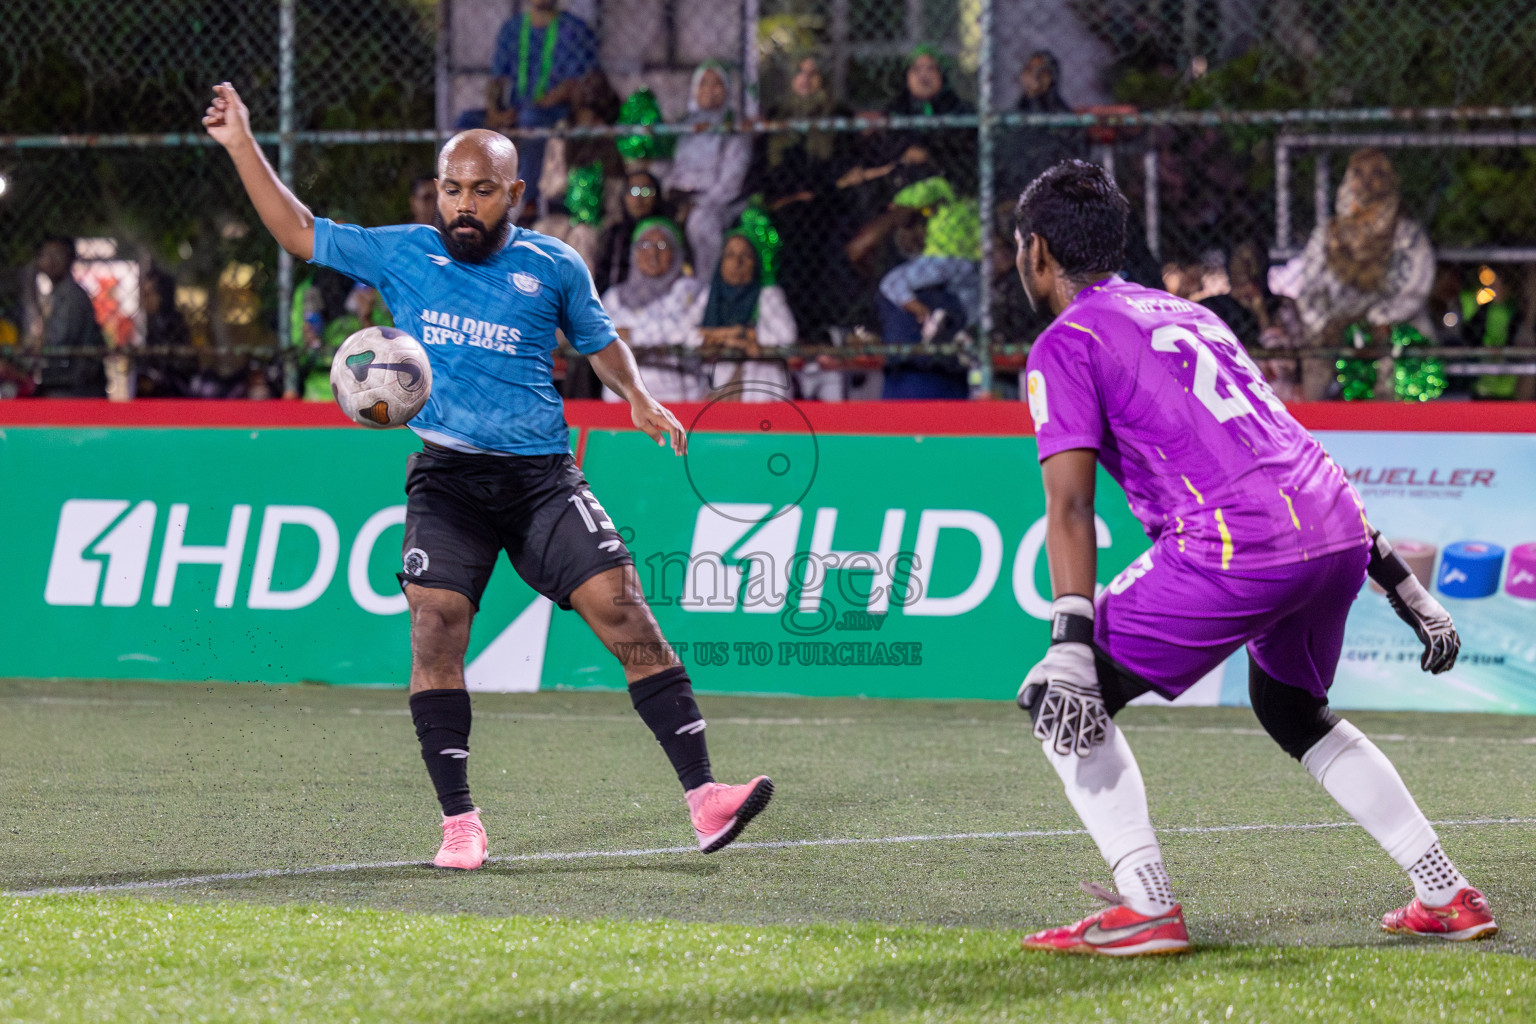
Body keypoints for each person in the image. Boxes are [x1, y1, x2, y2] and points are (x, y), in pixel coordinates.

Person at [204, 82, 773, 868]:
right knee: (435, 624)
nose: (462, 204)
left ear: (515, 193)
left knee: (627, 615)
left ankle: (706, 798)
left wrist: (636, 394)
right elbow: (298, 231)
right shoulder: (405, 250)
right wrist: (241, 143)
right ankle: (460, 823)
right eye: (450, 189)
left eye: (479, 190)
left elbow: (600, 340)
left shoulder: (554, 263)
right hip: (450, 479)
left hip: (542, 479)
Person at [1010, 160, 1493, 956]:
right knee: (1291, 709)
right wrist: (1403, 583)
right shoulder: (1193, 317)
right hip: (1334, 529)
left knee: (1058, 697)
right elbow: (1285, 446)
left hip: (1238, 544)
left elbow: (1069, 506)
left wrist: (1068, 644)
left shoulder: (1066, 341)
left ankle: (1147, 906)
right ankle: (1445, 890)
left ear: (1036, 250)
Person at [1266, 148, 1435, 400]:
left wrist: (1379, 320)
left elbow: (1414, 289)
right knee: (1317, 354)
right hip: (1332, 325)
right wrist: (1326, 323)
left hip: (1390, 326)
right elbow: (1310, 286)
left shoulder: (1405, 235)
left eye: (1376, 173)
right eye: (1358, 173)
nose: (1366, 182)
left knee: (1397, 351)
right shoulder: (1327, 234)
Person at [483, 0, 600, 214]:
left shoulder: (573, 29)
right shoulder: (513, 29)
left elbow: (581, 82)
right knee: (467, 122)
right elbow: (497, 79)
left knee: (531, 119)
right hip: (516, 109)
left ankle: (529, 201)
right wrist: (494, 112)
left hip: (556, 110)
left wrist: (540, 103)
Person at [599, 218, 705, 402]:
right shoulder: (613, 297)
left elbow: (685, 333)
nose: (653, 253)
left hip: (678, 398)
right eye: (645, 244)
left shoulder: (691, 291)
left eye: (662, 245)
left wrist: (631, 337)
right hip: (621, 399)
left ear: (677, 252)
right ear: (634, 252)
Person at [664, 62, 752, 282]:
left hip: (718, 203)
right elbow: (673, 170)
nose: (710, 90)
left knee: (700, 222)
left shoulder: (733, 130)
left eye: (717, 84)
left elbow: (730, 184)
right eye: (704, 83)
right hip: (680, 198)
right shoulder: (685, 128)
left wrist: (697, 203)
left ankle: (708, 286)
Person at [690, 231, 794, 400]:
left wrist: (741, 336)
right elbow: (683, 332)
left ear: (756, 263)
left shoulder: (767, 294)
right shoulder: (709, 296)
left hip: (761, 385)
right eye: (730, 255)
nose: (737, 263)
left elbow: (786, 336)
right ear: (721, 262)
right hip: (714, 383)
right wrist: (734, 335)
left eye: (745, 256)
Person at [19, 236, 106, 397]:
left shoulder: (71, 295)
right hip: (64, 381)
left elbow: (59, 339)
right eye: (47, 255)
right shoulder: (55, 294)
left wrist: (34, 347)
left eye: (57, 254)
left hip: (75, 386)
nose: (51, 261)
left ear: (70, 257)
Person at [593, 170, 665, 296]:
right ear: (624, 196)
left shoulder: (666, 234)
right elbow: (602, 277)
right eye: (633, 191)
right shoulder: (615, 234)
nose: (640, 198)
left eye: (647, 191)